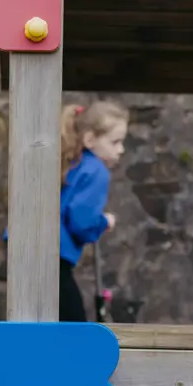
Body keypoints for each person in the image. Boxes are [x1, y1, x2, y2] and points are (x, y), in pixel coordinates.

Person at [57, 101, 128, 321]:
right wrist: (103, 222)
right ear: (89, 139)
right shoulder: (96, 170)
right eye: (115, 142)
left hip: (28, 247)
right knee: (74, 325)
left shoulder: (71, 162)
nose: (121, 149)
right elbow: (81, 220)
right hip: (54, 257)